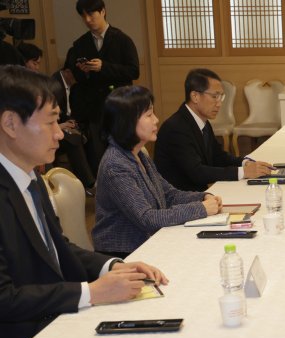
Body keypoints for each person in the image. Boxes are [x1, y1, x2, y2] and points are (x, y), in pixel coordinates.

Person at [0, 65, 167, 338]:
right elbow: (4, 298)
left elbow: (58, 247)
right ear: (11, 124)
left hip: (56, 323)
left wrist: (113, 266)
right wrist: (91, 292)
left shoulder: (30, 177)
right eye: (51, 122)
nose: (59, 134)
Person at [92, 85, 222, 258]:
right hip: (124, 255)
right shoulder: (115, 165)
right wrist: (201, 209)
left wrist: (202, 197)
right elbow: (147, 219)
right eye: (149, 115)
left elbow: (168, 195)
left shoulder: (139, 154)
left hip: (147, 243)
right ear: (127, 122)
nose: (156, 120)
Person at [155, 68, 273, 192]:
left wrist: (245, 163)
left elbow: (218, 156)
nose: (219, 103)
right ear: (195, 96)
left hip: (198, 194)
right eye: (214, 96)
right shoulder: (176, 128)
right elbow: (197, 172)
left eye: (221, 96)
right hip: (181, 198)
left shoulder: (202, 122)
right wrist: (243, 172)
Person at [66, 0, 139, 176]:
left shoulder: (122, 39)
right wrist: (84, 71)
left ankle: (127, 182)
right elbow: (74, 75)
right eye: (83, 16)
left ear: (103, 11)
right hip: (93, 107)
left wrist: (104, 67)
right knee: (98, 154)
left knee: (122, 148)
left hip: (118, 105)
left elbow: (134, 71)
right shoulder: (81, 43)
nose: (87, 19)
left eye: (91, 14)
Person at [51, 51, 96, 191]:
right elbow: (49, 118)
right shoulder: (54, 85)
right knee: (73, 139)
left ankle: (89, 179)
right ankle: (89, 183)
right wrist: (62, 125)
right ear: (68, 72)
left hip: (62, 124)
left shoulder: (69, 84)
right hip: (53, 129)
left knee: (87, 133)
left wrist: (70, 122)